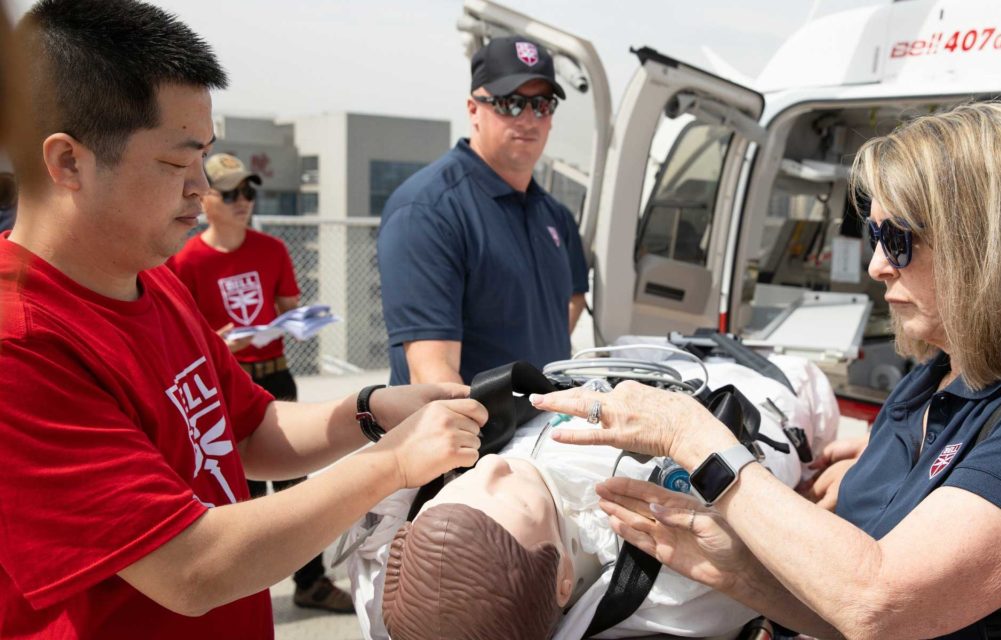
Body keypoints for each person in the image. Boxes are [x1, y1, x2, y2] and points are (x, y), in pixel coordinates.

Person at [532, 102, 1001, 639]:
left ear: (990, 247)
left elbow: (882, 602)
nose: (877, 264)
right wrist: (740, 573)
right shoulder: (935, 381)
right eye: (873, 233)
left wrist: (693, 437)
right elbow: (857, 616)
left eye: (899, 238)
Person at [0, 1, 487, 637]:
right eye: (177, 163)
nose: (201, 187)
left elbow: (250, 429)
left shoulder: (152, 281)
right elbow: (191, 567)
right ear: (67, 162)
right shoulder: (21, 344)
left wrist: (369, 411)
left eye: (205, 156)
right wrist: (393, 462)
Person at [346, 355, 840, 640]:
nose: (491, 465)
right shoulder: (658, 581)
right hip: (772, 388)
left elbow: (370, 554)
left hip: (621, 367)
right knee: (806, 387)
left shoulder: (394, 595)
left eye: (464, 481)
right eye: (512, 496)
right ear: (564, 580)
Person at [168, 152, 353, 612]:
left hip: (275, 376)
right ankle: (244, 594)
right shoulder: (185, 261)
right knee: (240, 495)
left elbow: (289, 305)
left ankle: (311, 582)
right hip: (225, 385)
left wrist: (289, 320)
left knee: (295, 485)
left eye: (248, 191)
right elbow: (178, 335)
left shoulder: (272, 249)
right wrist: (214, 343)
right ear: (204, 196)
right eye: (230, 192)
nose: (242, 201)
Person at [377, 35, 589, 386]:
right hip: (474, 437)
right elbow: (433, 378)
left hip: (543, 430)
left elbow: (573, 297)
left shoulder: (554, 215)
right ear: (474, 109)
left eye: (542, 104)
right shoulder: (428, 212)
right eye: (510, 103)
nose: (528, 118)